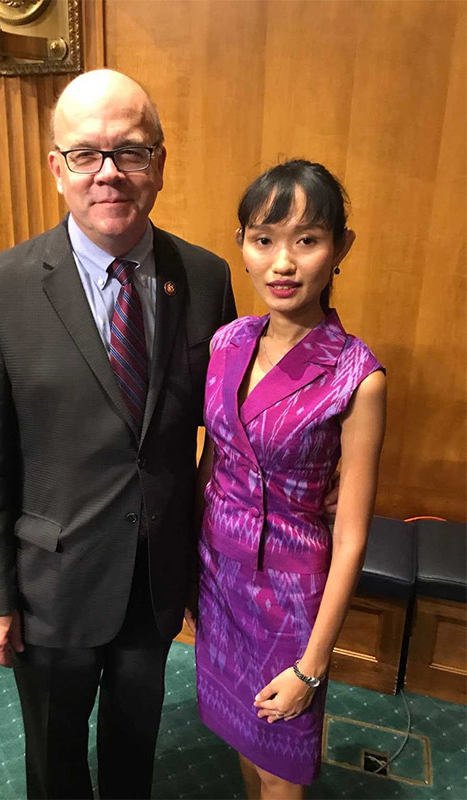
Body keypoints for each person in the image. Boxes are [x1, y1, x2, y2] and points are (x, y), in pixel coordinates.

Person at [0, 69, 238, 800]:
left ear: (160, 163)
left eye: (130, 152)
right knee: (55, 756)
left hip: (152, 578)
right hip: (52, 583)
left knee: (133, 747)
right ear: (57, 168)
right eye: (86, 154)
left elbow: (224, 429)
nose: (109, 174)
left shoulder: (203, 277)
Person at [193, 160, 386, 799]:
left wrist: (314, 663)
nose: (283, 262)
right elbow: (212, 462)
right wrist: (186, 576)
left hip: (290, 597)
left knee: (283, 769)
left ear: (340, 249)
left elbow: (353, 535)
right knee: (240, 738)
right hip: (218, 578)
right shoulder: (228, 341)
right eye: (264, 238)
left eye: (307, 240)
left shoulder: (357, 375)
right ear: (242, 248)